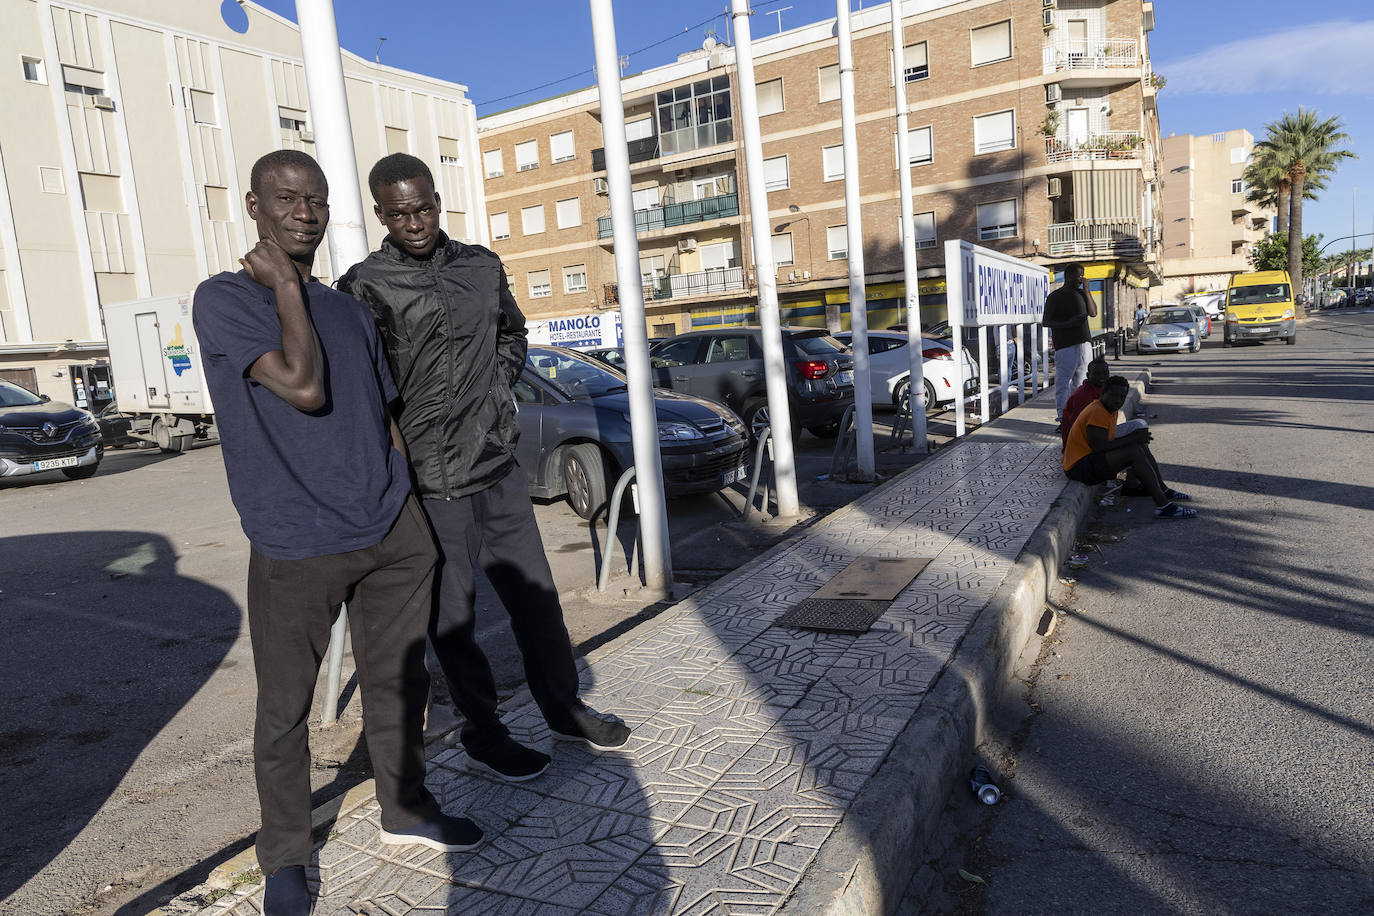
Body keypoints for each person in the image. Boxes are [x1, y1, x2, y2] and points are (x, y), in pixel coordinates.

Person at [193, 151, 482, 916]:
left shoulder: (349, 308)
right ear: (252, 206)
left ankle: (404, 807)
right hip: (295, 539)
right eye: (286, 199)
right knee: (284, 709)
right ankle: (286, 856)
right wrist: (287, 287)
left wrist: (405, 503)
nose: (304, 212)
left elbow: (379, 410)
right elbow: (302, 384)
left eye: (316, 200)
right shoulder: (224, 298)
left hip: (391, 528)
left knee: (398, 680)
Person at [339, 153, 630, 786]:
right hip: (430, 480)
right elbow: (364, 384)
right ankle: (484, 732)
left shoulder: (480, 265)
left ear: (438, 201)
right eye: (398, 213)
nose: (413, 222)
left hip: (497, 466)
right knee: (455, 620)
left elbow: (513, 334)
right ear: (380, 213)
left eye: (423, 208)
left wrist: (497, 390)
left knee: (538, 602)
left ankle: (563, 707)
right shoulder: (365, 285)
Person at [1061, 376, 1196, 519]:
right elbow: (1099, 448)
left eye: (1122, 397)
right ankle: (1163, 505)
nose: (1118, 400)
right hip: (1078, 468)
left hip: (1088, 461)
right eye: (1113, 396)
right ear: (1103, 393)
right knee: (1134, 451)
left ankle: (1153, 488)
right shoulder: (1097, 411)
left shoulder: (1110, 408)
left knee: (1138, 446)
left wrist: (1136, 439)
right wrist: (1133, 438)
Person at [1042, 262, 1098, 423]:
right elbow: (1046, 322)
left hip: (1084, 343)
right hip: (1065, 344)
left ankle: (1079, 415)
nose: (1081, 279)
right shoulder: (1055, 296)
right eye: (1078, 275)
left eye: (1083, 275)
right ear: (1068, 276)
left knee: (1081, 382)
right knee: (1063, 383)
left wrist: (1087, 290)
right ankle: (1063, 417)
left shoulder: (1082, 293)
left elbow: (1093, 313)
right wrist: (1069, 323)